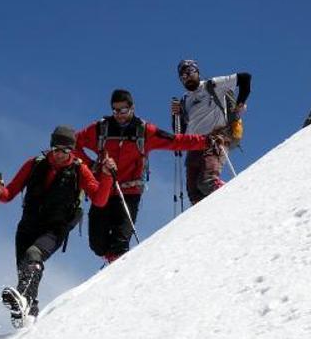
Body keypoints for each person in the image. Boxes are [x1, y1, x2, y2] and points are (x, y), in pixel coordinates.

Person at [0, 125, 116, 328]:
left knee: (33, 255)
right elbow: (9, 193)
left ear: (72, 151)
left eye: (65, 151)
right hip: (27, 226)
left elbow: (100, 200)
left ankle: (23, 304)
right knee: (25, 272)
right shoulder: (34, 164)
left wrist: (108, 176)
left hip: (55, 228)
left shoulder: (80, 170)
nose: (59, 155)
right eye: (56, 149)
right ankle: (27, 318)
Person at [75, 89, 212, 264]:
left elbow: (174, 140)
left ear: (132, 108)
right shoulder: (100, 129)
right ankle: (111, 260)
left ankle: (117, 269)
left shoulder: (144, 130)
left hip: (130, 192)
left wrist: (205, 141)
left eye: (123, 110)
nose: (119, 115)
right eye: (115, 110)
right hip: (103, 190)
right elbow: (74, 143)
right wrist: (92, 165)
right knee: (97, 245)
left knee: (120, 240)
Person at [171, 59, 252, 204]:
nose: (187, 77)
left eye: (189, 72)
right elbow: (181, 133)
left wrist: (240, 103)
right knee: (194, 194)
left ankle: (237, 201)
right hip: (194, 146)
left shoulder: (212, 85)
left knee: (207, 182)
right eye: (182, 76)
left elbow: (245, 78)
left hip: (215, 139)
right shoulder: (185, 100)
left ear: (197, 72)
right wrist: (175, 116)